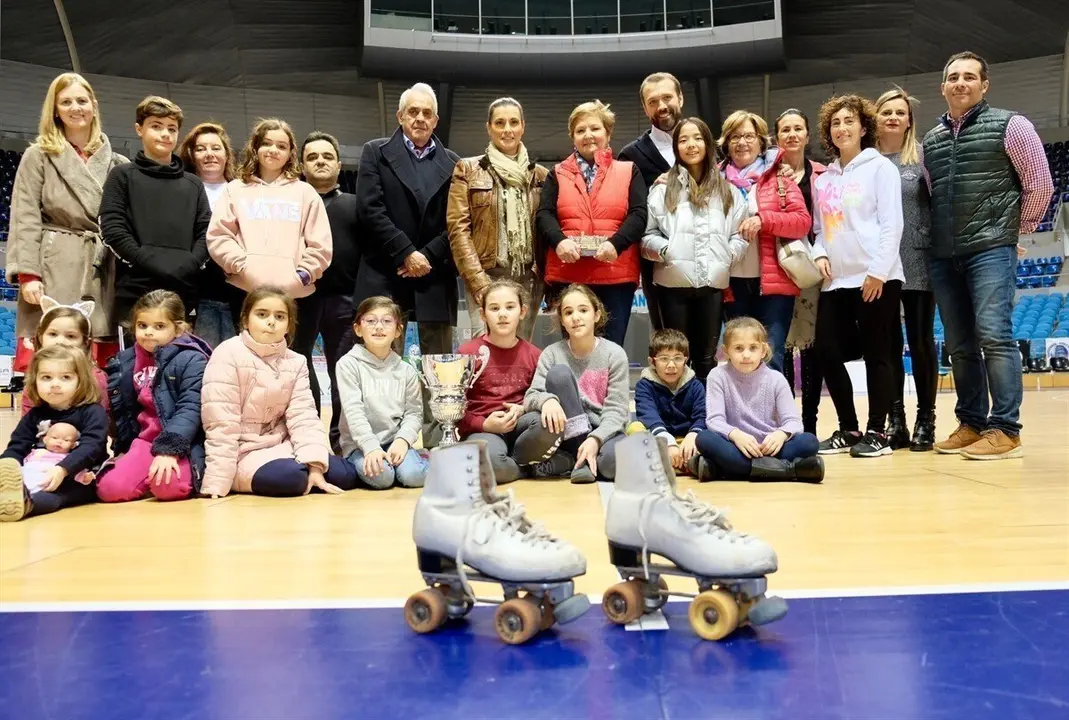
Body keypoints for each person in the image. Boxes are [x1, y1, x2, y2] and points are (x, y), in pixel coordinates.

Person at [922, 51, 1054, 460]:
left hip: (990, 249)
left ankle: (1006, 429)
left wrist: (1013, 231)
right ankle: (972, 423)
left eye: (969, 76)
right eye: (953, 77)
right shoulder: (931, 140)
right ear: (943, 87)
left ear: (984, 85)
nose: (960, 83)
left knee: (995, 336)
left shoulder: (1012, 125)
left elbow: (1040, 184)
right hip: (945, 254)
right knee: (959, 345)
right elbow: (932, 196)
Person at [355, 83, 460, 448]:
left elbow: (457, 221)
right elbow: (370, 209)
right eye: (412, 112)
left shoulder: (454, 162)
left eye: (426, 113)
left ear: (436, 120)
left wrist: (427, 256)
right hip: (386, 271)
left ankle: (438, 441)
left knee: (438, 368)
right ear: (400, 116)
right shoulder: (375, 152)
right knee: (381, 363)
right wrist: (405, 253)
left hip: (434, 273)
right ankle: (380, 444)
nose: (419, 118)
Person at [6, 72, 128, 371]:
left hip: (103, 266)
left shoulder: (118, 164)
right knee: (52, 357)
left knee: (100, 361)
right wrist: (28, 274)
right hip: (54, 262)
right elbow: (25, 215)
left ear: (94, 106)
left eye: (82, 101)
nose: (76, 108)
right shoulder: (38, 156)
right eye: (66, 102)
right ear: (55, 110)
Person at [811, 94, 905, 458]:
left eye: (849, 121)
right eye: (835, 123)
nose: (842, 128)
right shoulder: (824, 179)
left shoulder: (880, 168)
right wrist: (819, 254)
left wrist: (878, 272)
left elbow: (892, 225)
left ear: (864, 127)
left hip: (876, 277)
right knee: (826, 351)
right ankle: (849, 428)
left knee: (878, 354)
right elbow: (820, 229)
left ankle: (877, 432)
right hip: (836, 281)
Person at [200, 287, 357, 498]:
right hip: (243, 451)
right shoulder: (227, 354)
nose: (271, 322)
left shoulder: (296, 361)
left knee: (346, 474)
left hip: (282, 444)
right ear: (245, 320)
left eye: (280, 316)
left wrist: (315, 465)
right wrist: (217, 483)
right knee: (292, 477)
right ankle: (292, 475)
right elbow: (221, 423)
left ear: (288, 326)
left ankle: (308, 474)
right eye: (262, 314)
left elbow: (304, 416)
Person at [642, 116, 748, 382]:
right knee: (675, 358)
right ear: (676, 147)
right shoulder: (662, 190)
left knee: (706, 358)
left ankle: (704, 408)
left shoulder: (728, 192)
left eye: (697, 138)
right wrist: (666, 251)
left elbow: (740, 235)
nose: (691, 145)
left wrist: (727, 255)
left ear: (708, 144)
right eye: (683, 139)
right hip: (671, 285)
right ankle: (675, 408)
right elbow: (646, 236)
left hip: (712, 285)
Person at [536, 101, 647, 346]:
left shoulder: (629, 170)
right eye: (580, 130)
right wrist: (559, 241)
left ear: (608, 133)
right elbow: (544, 214)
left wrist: (616, 244)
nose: (588, 135)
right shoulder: (556, 173)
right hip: (569, 274)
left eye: (595, 128)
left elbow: (639, 214)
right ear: (572, 137)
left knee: (611, 349)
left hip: (615, 275)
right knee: (574, 349)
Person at [99, 96, 212, 332]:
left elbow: (206, 231)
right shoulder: (122, 175)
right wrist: (144, 259)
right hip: (134, 291)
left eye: (172, 128)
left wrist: (190, 264)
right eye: (156, 126)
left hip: (183, 291)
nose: (165, 134)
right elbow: (112, 227)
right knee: (137, 356)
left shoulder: (193, 184)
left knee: (180, 355)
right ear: (139, 129)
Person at [718, 110, 812, 373]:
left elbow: (802, 222)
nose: (742, 142)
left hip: (773, 284)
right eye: (735, 137)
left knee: (771, 359)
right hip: (730, 283)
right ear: (726, 143)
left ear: (761, 143)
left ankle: (774, 403)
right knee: (738, 361)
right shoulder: (714, 180)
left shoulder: (780, 178)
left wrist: (764, 220)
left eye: (749, 136)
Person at [95, 290, 211, 503]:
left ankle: (168, 476)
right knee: (109, 489)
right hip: (145, 441)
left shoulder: (192, 359)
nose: (148, 332)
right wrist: (122, 449)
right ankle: (144, 476)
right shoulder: (125, 361)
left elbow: (190, 407)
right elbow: (122, 412)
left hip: (183, 442)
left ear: (179, 328)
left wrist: (169, 450)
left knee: (167, 487)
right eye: (142, 325)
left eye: (159, 326)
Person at [448, 97, 548, 340]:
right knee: (484, 350)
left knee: (520, 350)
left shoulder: (541, 175)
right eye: (500, 123)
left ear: (523, 126)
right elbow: (458, 230)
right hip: (486, 275)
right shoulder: (467, 169)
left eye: (514, 122)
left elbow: (548, 230)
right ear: (489, 128)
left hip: (528, 279)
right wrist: (479, 282)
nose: (507, 129)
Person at [513, 284, 630, 484]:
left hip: (603, 430)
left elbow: (617, 410)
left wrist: (595, 439)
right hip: (565, 433)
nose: (576, 317)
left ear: (596, 315)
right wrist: (547, 400)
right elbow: (532, 395)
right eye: (568, 312)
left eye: (583, 310)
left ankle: (569, 462)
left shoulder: (615, 354)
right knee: (558, 374)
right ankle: (581, 460)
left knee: (612, 464)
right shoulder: (552, 353)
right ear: (562, 320)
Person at [875, 87, 937, 451]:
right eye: (887, 112)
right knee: (887, 344)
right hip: (880, 263)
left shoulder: (923, 157)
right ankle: (895, 419)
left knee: (920, 340)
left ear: (909, 120)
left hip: (917, 258)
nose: (894, 117)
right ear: (876, 118)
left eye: (900, 112)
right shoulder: (866, 160)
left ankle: (925, 419)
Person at [695, 318, 823, 483]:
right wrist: (735, 435)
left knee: (809, 442)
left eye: (753, 348)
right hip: (737, 447)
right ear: (726, 352)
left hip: (771, 448)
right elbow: (714, 420)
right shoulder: (717, 376)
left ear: (763, 351)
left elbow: (794, 422)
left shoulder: (776, 379)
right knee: (704, 439)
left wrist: (781, 435)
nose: (746, 355)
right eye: (738, 348)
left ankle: (724, 469)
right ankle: (789, 470)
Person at [300, 131, 360, 452]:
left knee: (343, 372)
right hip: (299, 299)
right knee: (298, 367)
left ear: (338, 164)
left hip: (345, 300)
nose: (320, 161)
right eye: (312, 157)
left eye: (327, 156)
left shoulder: (355, 205)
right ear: (301, 165)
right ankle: (307, 438)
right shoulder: (292, 204)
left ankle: (341, 441)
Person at [0, 345, 109, 522]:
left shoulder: (92, 412)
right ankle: (10, 499)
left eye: (66, 377)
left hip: (78, 477)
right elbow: (17, 446)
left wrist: (62, 470)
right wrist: (6, 465)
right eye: (46, 377)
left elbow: (91, 447)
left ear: (81, 381)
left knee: (55, 494)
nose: (55, 384)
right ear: (34, 381)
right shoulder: (35, 415)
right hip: (35, 471)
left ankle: (26, 505)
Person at [336, 296, 428, 489]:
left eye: (387, 321)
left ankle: (421, 461)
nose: (379, 327)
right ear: (358, 329)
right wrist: (370, 447)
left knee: (413, 476)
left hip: (394, 441)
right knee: (383, 477)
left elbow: (414, 413)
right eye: (370, 321)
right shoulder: (348, 365)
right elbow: (353, 412)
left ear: (398, 330)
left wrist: (403, 441)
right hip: (360, 446)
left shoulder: (406, 370)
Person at [456, 279, 543, 484]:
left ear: (522, 311)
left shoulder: (535, 355)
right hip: (484, 430)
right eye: (494, 308)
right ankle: (528, 468)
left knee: (546, 423)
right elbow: (455, 407)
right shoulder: (467, 353)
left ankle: (513, 458)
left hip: (521, 428)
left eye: (510, 307)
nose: (502, 314)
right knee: (492, 463)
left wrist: (523, 408)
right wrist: (483, 424)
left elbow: (539, 395)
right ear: (482, 314)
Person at [619, 72, 686, 330]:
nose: (662, 106)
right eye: (653, 101)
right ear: (644, 108)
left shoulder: (706, 146)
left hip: (707, 259)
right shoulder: (630, 156)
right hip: (658, 262)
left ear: (680, 98)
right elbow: (629, 211)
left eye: (667, 97)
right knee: (667, 336)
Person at [775, 109, 827, 435]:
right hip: (776, 271)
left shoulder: (823, 174)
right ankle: (786, 422)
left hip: (811, 272)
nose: (792, 134)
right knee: (781, 348)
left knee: (810, 349)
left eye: (798, 129)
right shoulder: (766, 173)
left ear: (807, 135)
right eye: (785, 130)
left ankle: (809, 424)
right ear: (777, 137)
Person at [177, 121, 241, 348]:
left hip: (236, 288)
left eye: (216, 148)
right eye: (201, 149)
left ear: (227, 154)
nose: (209, 154)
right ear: (191, 155)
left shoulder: (242, 190)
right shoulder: (181, 189)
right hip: (194, 288)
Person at [633, 329, 706, 474]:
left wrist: (693, 435)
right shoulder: (644, 385)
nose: (671, 365)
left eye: (677, 358)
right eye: (664, 359)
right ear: (652, 361)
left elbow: (702, 415)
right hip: (659, 437)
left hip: (687, 439)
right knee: (634, 428)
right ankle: (681, 464)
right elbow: (648, 415)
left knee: (709, 436)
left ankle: (682, 462)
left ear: (685, 360)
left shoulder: (696, 385)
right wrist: (668, 442)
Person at [20, 297, 109, 415]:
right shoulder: (35, 374)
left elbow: (101, 419)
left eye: (70, 336)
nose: (60, 341)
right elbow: (27, 417)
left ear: (85, 342)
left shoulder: (96, 378)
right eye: (53, 334)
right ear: (41, 337)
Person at [19, 423, 91, 493]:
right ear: (45, 440)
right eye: (55, 438)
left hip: (45, 478)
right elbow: (25, 462)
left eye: (66, 440)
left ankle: (25, 493)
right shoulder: (36, 451)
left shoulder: (69, 458)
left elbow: (76, 469)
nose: (59, 441)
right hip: (27, 473)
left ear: (73, 445)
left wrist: (85, 477)